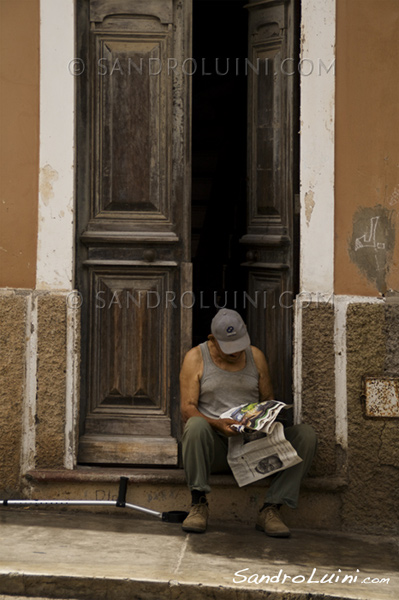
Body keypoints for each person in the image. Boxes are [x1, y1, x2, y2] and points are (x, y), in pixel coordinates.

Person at [180, 308, 317, 537]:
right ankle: (198, 503)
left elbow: (267, 400)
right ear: (212, 339)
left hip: (252, 446)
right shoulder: (196, 357)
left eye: (239, 345)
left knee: (306, 436)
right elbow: (187, 409)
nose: (235, 353)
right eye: (228, 348)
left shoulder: (256, 356)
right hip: (217, 448)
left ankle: (272, 508)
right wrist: (218, 423)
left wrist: (262, 419)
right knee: (195, 426)